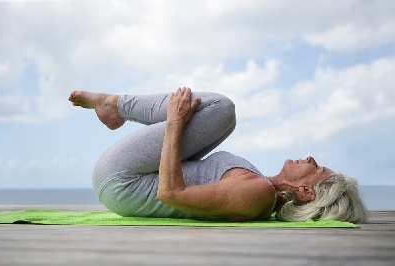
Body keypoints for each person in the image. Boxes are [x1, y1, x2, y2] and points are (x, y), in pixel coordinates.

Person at [69, 87, 367, 223]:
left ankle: (113, 104)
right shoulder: (260, 185)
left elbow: (170, 192)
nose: (312, 159)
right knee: (226, 119)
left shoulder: (259, 194)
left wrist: (174, 122)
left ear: (305, 193)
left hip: (122, 180)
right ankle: (113, 104)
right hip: (126, 180)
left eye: (318, 169)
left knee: (221, 110)